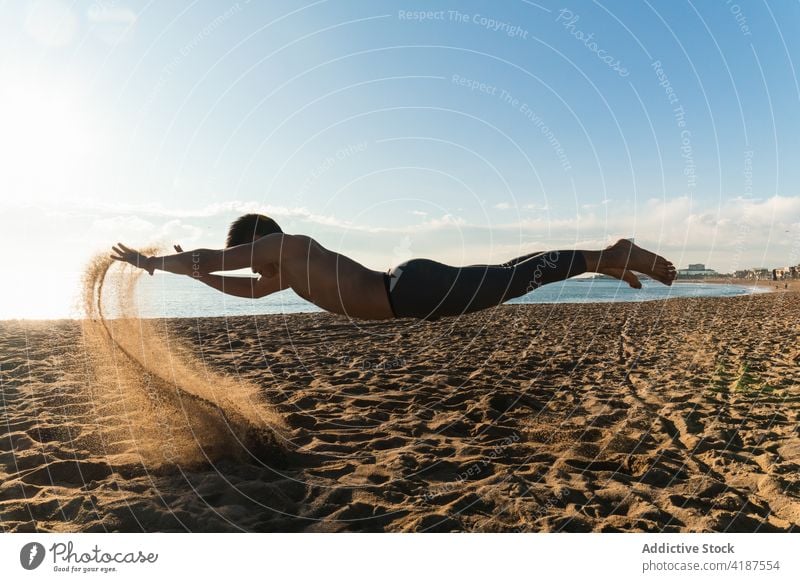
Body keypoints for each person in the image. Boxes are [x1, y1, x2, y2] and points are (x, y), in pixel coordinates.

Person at [111, 213, 677, 322]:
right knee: (509, 276)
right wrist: (197, 273)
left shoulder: (286, 247)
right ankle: (606, 261)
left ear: (261, 241)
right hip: (409, 290)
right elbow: (248, 293)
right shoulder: (287, 266)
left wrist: (151, 261)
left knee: (509, 281)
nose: (253, 265)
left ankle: (607, 256)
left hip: (409, 291)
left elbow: (212, 259)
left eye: (250, 254)